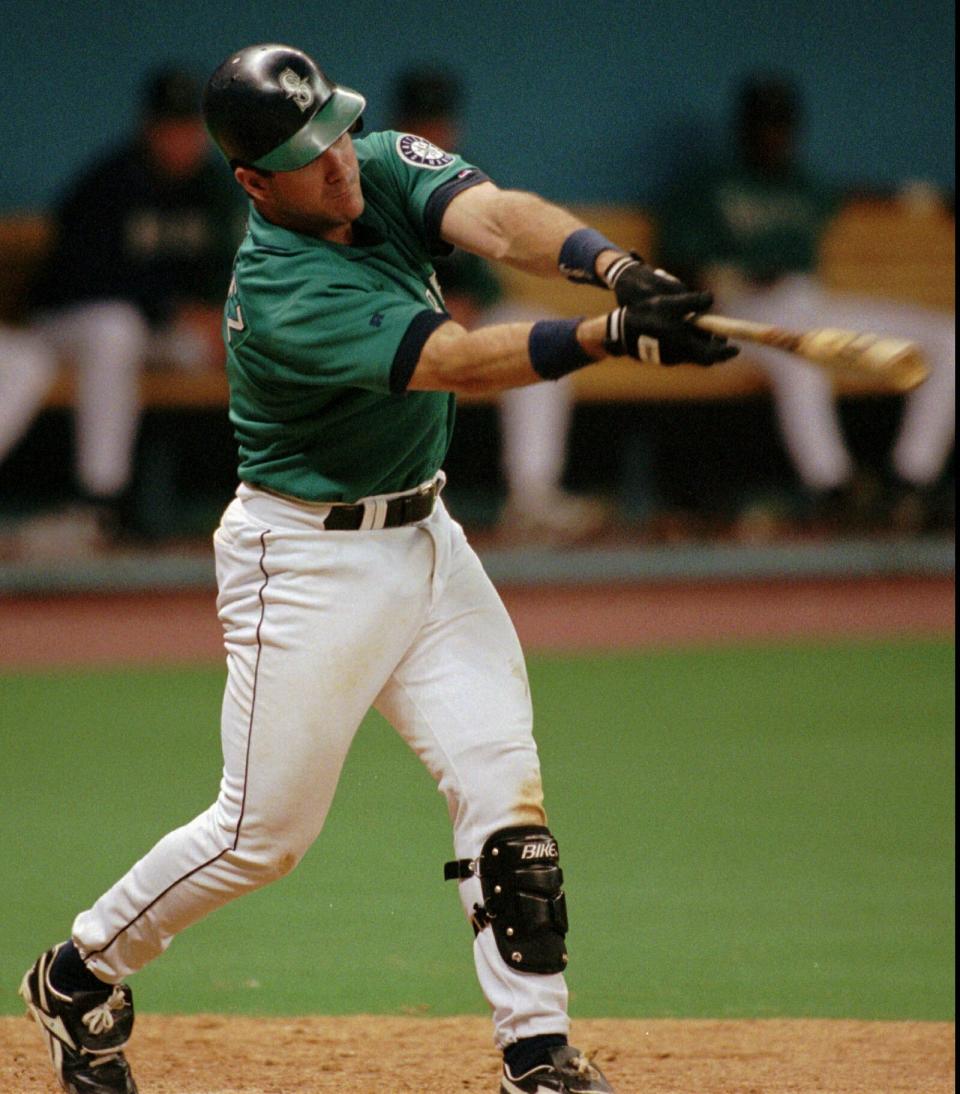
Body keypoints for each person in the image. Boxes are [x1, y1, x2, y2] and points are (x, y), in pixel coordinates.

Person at [18, 43, 735, 1094]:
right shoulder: (282, 287)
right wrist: (609, 334)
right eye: (307, 155)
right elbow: (451, 357)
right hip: (305, 563)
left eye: (336, 131)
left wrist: (613, 266)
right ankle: (79, 974)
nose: (338, 160)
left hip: (428, 537)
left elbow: (500, 218)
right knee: (263, 835)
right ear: (254, 182)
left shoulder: (373, 158)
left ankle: (536, 1053)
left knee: (505, 794)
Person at [655, 73, 955, 532]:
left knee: (946, 337)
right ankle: (833, 488)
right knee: (800, 353)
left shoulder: (804, 182)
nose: (775, 135)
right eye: (764, 125)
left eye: (782, 125)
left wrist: (928, 197)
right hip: (737, 312)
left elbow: (865, 195)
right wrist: (733, 275)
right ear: (744, 128)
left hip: (807, 300)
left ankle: (910, 480)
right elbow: (670, 265)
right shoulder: (708, 185)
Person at [0, 67, 243, 553]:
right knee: (115, 331)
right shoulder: (111, 183)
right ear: (149, 127)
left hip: (157, 334)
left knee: (233, 341)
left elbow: (231, 271)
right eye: (170, 126)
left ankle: (258, 506)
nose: (180, 139)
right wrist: (171, 309)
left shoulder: (216, 189)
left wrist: (219, 317)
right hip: (69, 324)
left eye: (189, 127)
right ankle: (99, 500)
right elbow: (84, 281)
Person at [390, 65, 612, 544]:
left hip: (452, 322)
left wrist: (460, 308)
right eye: (422, 123)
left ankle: (533, 497)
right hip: (393, 326)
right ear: (400, 126)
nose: (433, 133)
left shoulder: (454, 180)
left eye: (440, 122)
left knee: (537, 328)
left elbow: (483, 284)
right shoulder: (378, 184)